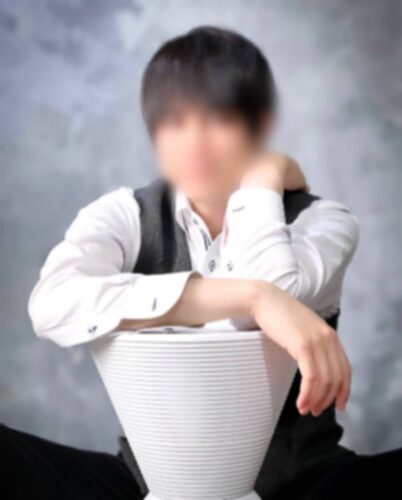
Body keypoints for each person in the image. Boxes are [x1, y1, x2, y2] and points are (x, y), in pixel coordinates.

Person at [1, 25, 400, 500]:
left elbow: (274, 285)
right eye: (174, 121)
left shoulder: (323, 221)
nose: (195, 143)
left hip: (300, 485)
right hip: (150, 486)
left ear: (258, 126)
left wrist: (262, 178)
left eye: (219, 118)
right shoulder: (126, 215)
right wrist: (252, 298)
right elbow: (52, 301)